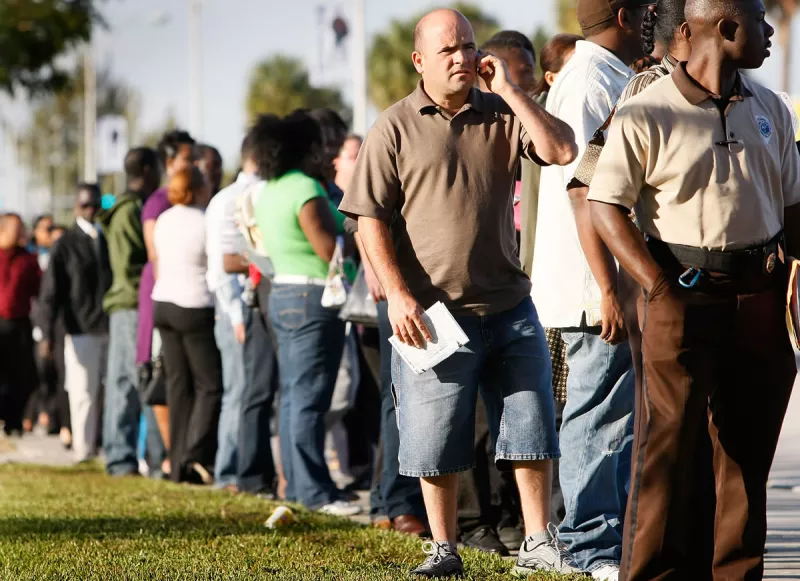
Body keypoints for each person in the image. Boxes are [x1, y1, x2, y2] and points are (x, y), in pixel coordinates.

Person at [340, 8, 581, 578]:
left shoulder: (501, 112)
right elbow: (367, 217)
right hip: (431, 313)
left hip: (509, 303)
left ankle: (539, 541)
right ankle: (444, 548)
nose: (461, 58)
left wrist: (513, 90)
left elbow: (561, 151)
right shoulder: (393, 126)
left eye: (468, 46)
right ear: (419, 60)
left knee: (531, 429)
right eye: (447, 50)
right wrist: (397, 296)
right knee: (434, 439)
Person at [589, 1, 797, 578]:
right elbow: (604, 204)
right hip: (679, 292)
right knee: (667, 454)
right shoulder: (646, 110)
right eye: (760, 19)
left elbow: (795, 208)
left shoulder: (772, 110)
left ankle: (736, 572)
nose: (770, 30)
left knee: (746, 456)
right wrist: (656, 286)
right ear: (726, 29)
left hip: (759, 295)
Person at [529, 1, 650, 578]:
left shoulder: (608, 72)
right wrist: (608, 287)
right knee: (596, 416)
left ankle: (605, 543)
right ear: (625, 14)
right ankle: (589, 548)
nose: (657, 15)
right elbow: (587, 192)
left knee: (614, 418)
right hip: (593, 282)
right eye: (649, 8)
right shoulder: (586, 79)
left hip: (608, 280)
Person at [254, 110, 361, 517]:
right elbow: (330, 251)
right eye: (318, 148)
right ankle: (316, 493)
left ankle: (299, 487)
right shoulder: (305, 189)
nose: (326, 156)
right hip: (312, 297)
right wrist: (356, 228)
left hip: (283, 291)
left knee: (294, 397)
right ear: (303, 149)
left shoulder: (272, 189)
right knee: (310, 398)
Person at [224, 116, 282, 497]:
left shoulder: (260, 193)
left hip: (265, 297)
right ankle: (251, 476)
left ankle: (262, 476)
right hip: (261, 298)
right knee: (259, 391)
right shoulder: (247, 196)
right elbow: (229, 260)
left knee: (266, 392)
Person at [153, 166, 221, 485]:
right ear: (196, 188)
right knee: (209, 384)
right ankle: (195, 454)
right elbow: (214, 264)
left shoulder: (165, 218)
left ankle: (176, 461)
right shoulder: (204, 219)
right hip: (193, 305)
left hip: (163, 302)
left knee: (178, 385)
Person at [99, 147, 163, 477]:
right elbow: (128, 266)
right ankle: (120, 458)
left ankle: (142, 457)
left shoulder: (138, 205)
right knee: (128, 380)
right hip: (129, 304)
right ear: (149, 169)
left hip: (139, 303)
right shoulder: (127, 210)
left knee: (135, 378)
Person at [136, 129, 196, 472]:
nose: (196, 164)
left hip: (188, 298)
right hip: (167, 298)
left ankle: (183, 454)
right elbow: (155, 254)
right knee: (164, 375)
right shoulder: (158, 203)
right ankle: (172, 456)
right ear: (170, 163)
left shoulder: (195, 197)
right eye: (189, 158)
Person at [38, 184, 111, 462]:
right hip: (80, 329)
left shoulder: (106, 238)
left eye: (95, 205)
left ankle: (103, 444)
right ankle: (84, 448)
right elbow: (50, 292)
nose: (90, 210)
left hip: (108, 324)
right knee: (83, 392)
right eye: (85, 205)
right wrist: (46, 333)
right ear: (76, 208)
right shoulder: (66, 244)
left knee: (106, 390)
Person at [205, 136, 255, 492]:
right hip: (232, 311)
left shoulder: (223, 198)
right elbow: (223, 268)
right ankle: (228, 474)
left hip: (232, 311)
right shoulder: (236, 199)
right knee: (238, 393)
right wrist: (237, 316)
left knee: (240, 393)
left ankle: (237, 472)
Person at [521, 32, 582, 275]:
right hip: (550, 250)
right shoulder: (537, 120)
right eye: (573, 68)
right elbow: (533, 201)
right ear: (551, 77)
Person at [0, 213, 40, 436]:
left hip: (19, 323)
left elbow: (39, 289)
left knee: (21, 376)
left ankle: (13, 421)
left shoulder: (27, 259)